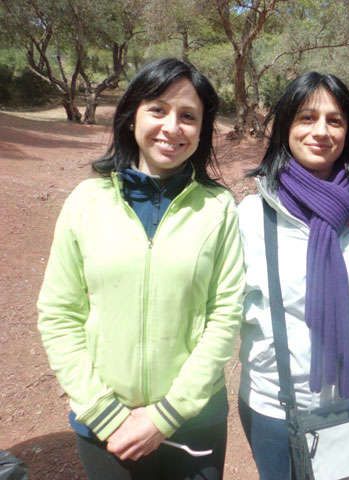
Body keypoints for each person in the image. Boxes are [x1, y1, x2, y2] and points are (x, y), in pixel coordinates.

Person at [37, 58, 245, 480]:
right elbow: (59, 314)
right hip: (104, 426)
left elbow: (225, 315)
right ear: (131, 117)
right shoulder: (86, 202)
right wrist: (104, 412)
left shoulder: (218, 207)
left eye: (188, 116)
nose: (172, 127)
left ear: (201, 131)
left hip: (193, 421)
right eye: (158, 110)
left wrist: (166, 415)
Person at [237, 71, 349, 479]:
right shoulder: (251, 216)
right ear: (285, 125)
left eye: (335, 120)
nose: (321, 131)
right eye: (306, 118)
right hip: (276, 407)